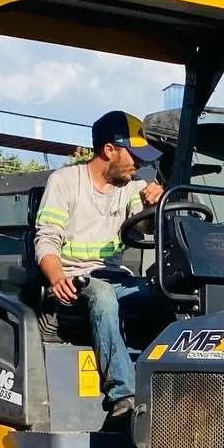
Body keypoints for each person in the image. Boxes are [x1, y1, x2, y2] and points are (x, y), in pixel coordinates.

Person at [34, 110, 164, 423]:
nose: (139, 165)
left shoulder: (131, 188)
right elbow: (46, 241)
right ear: (109, 150)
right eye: (134, 156)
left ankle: (168, 389)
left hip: (116, 280)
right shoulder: (65, 182)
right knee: (103, 294)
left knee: (165, 293)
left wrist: (154, 205)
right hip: (73, 283)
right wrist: (56, 278)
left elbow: (147, 228)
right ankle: (124, 396)